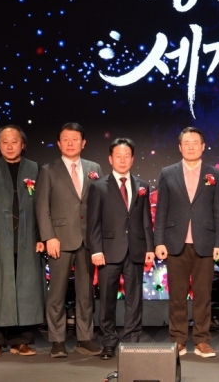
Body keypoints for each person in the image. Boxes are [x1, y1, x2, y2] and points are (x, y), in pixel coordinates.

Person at [154, 127, 219, 358]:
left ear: (203, 146)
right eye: (187, 143)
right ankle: (178, 340)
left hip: (205, 242)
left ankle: (202, 340)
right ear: (180, 147)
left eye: (196, 142)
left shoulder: (214, 174)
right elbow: (161, 210)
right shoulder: (168, 173)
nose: (191, 146)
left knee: (203, 295)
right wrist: (159, 241)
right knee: (177, 295)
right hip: (175, 242)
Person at [0, 125, 45, 358]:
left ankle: (21, 341)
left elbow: (43, 207)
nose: (10, 146)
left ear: (22, 144)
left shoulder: (35, 169)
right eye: (4, 142)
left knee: (25, 289)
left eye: (14, 141)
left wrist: (41, 237)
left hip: (27, 239)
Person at [35, 123, 103, 358]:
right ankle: (57, 340)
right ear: (59, 143)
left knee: (86, 293)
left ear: (83, 143)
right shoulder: (48, 170)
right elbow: (41, 207)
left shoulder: (94, 168)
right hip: (60, 240)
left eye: (75, 139)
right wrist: (49, 237)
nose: (71, 143)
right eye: (66, 139)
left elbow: (98, 204)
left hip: (87, 240)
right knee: (57, 293)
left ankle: (85, 338)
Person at [87, 138, 155, 360]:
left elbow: (146, 220)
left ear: (132, 159)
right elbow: (93, 222)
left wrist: (149, 247)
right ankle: (108, 342)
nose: (123, 160)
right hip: (108, 251)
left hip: (135, 249)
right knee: (107, 300)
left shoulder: (142, 185)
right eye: (118, 156)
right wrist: (96, 250)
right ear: (110, 159)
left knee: (134, 299)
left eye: (127, 156)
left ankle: (131, 342)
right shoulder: (98, 186)